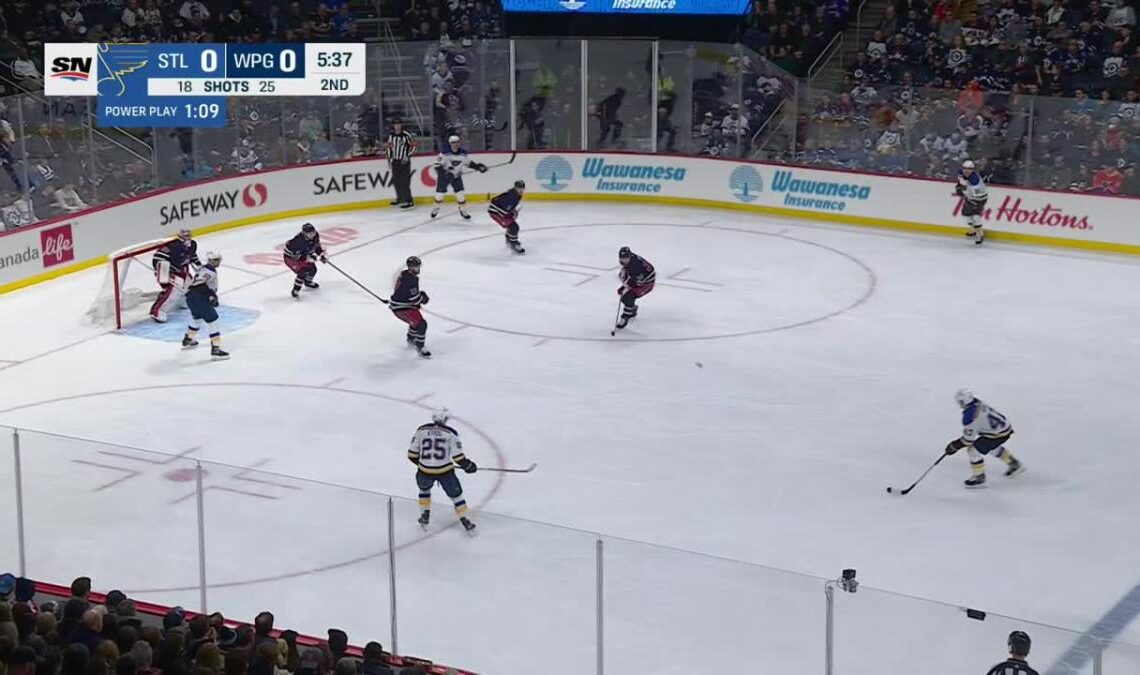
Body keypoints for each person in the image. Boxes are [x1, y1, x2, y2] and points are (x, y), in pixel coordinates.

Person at [407, 408, 477, 533]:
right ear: (445, 419)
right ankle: (465, 520)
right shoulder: (451, 433)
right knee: (457, 496)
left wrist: (425, 464)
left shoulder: (421, 430)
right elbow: (458, 457)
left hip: (424, 472)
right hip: (445, 472)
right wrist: (468, 466)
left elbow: (412, 455)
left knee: (424, 489)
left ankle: (424, 515)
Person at [944, 389, 1023, 488]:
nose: (959, 404)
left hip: (996, 434)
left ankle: (979, 477)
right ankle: (1013, 463)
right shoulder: (977, 402)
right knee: (990, 447)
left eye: (960, 402)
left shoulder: (970, 417)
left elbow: (967, 440)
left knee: (972, 450)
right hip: (1004, 428)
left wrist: (954, 446)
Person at [181, 251, 229, 360]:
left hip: (191, 298)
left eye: (218, 259)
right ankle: (216, 349)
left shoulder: (203, 269)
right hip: (200, 299)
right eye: (216, 260)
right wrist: (211, 295)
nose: (218, 262)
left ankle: (189, 338)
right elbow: (200, 284)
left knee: (197, 318)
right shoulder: (209, 272)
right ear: (211, 260)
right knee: (213, 321)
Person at [431, 135, 487, 220]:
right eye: (453, 143)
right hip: (444, 177)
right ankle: (435, 208)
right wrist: (446, 173)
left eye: (457, 142)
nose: (456, 144)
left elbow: (468, 163)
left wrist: (478, 167)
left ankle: (462, 210)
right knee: (440, 194)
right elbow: (437, 166)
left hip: (456, 176)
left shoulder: (463, 153)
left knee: (460, 194)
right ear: (450, 144)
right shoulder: (444, 153)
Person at [150, 229, 200, 323]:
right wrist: (164, 270)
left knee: (190, 286)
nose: (187, 238)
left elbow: (192, 256)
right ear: (180, 236)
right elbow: (157, 257)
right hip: (167, 271)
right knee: (175, 289)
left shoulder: (193, 244)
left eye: (188, 235)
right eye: (185, 236)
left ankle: (182, 301)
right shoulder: (174, 246)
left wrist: (199, 267)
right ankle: (157, 311)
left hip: (181, 272)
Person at [389, 256, 431, 358]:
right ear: (410, 267)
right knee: (421, 324)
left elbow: (408, 294)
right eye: (415, 267)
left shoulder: (405, 274)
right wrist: (423, 298)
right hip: (401, 308)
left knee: (415, 322)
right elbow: (415, 299)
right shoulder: (411, 279)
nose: (417, 269)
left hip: (404, 305)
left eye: (418, 267)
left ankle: (411, 340)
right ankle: (419, 347)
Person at [616, 246, 656, 330]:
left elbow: (639, 283)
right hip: (640, 280)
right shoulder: (631, 260)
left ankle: (625, 317)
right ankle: (632, 309)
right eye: (622, 258)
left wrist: (626, 286)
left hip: (647, 283)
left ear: (630, 256)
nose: (623, 260)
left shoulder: (635, 267)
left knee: (628, 296)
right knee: (623, 294)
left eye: (626, 258)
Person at [283, 223, 327, 299]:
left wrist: (321, 254)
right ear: (304, 234)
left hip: (303, 254)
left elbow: (316, 246)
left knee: (313, 269)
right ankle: (296, 289)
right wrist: (308, 257)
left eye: (313, 232)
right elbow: (295, 256)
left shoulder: (316, 236)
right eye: (309, 234)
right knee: (303, 271)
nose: (312, 235)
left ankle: (308, 282)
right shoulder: (297, 242)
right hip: (290, 258)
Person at [384, 117, 416, 209]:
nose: (397, 126)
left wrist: (407, 156)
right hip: (395, 161)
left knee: (405, 181)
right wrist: (389, 160)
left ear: (401, 125)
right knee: (396, 181)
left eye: (398, 124)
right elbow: (389, 148)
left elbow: (413, 146)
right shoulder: (391, 136)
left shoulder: (406, 135)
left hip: (404, 161)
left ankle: (409, 200)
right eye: (395, 124)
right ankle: (400, 198)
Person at [955, 159, 989, 245]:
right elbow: (960, 180)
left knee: (975, 216)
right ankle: (974, 229)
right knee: (966, 215)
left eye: (969, 169)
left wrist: (962, 191)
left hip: (979, 198)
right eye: (965, 168)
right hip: (970, 197)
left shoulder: (975, 180)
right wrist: (959, 187)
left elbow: (976, 195)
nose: (966, 170)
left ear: (972, 169)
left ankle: (980, 234)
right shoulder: (960, 172)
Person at [488, 180, 526, 254]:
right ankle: (513, 244)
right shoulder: (511, 197)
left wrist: (513, 212)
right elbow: (503, 213)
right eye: (519, 188)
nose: (521, 190)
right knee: (513, 227)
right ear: (515, 188)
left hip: (500, 211)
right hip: (495, 212)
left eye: (522, 188)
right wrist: (514, 212)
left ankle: (510, 239)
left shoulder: (516, 194)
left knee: (512, 225)